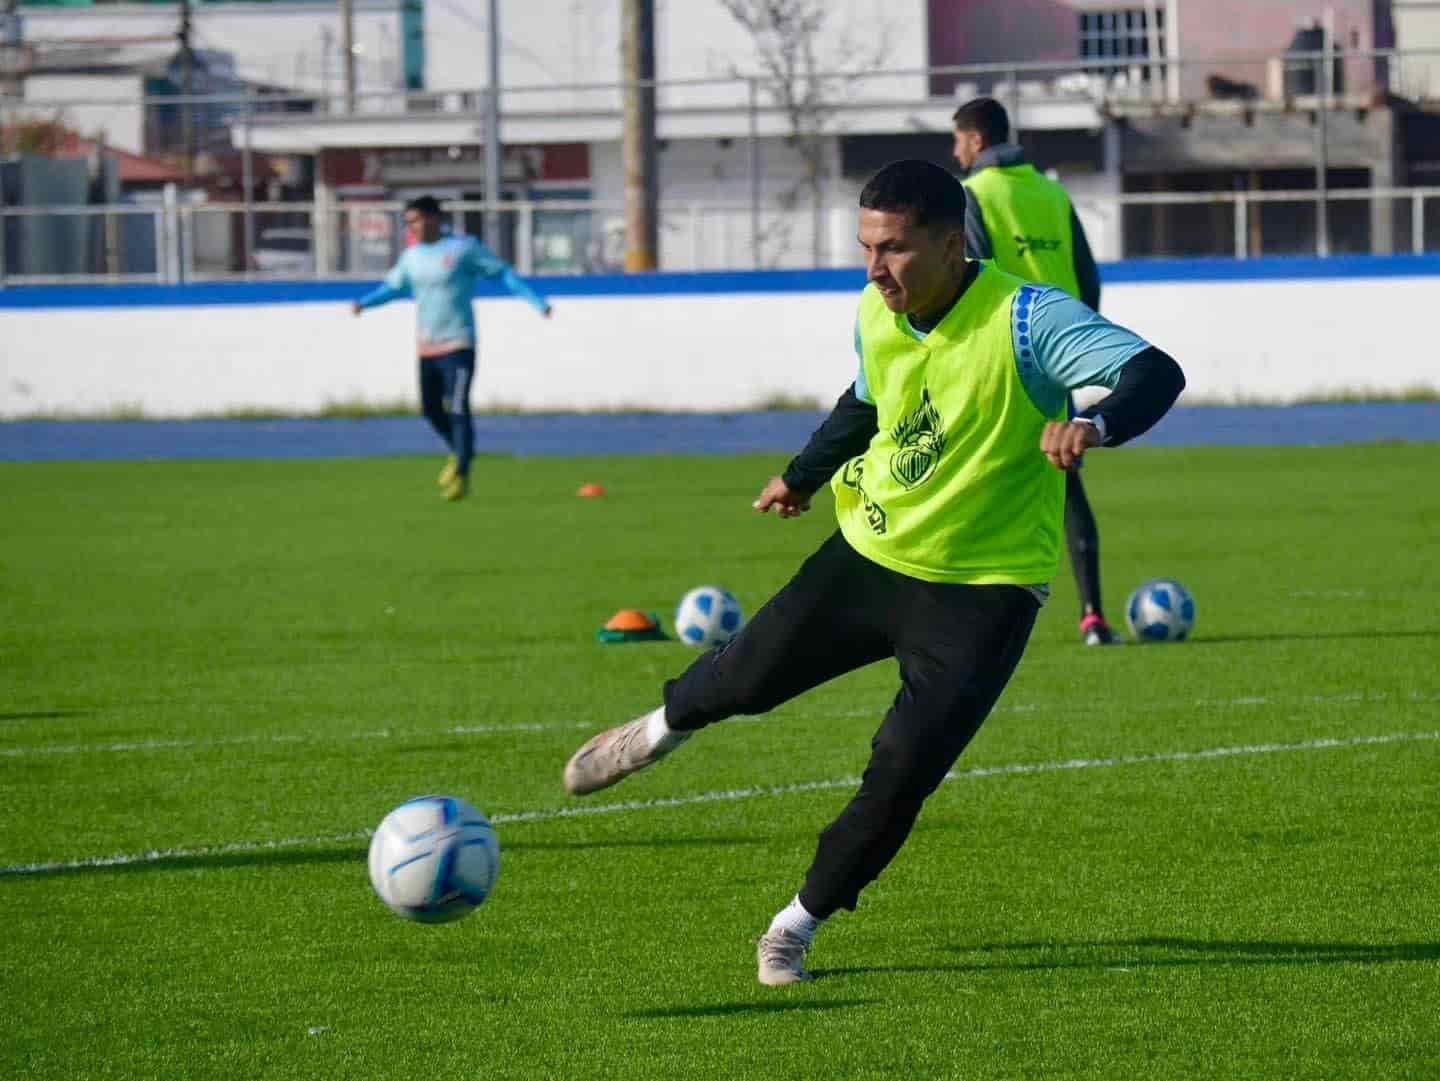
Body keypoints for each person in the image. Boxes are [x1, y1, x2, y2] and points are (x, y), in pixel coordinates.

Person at [561, 161, 1185, 986]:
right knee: (743, 679)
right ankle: (655, 730)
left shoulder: (1028, 319)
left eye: (892, 249)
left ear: (951, 244)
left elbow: (1156, 372)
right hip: (871, 553)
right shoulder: (874, 308)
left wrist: (1096, 425)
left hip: (985, 591)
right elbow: (867, 399)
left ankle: (795, 925)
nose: (873, 269)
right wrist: (804, 472)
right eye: (866, 247)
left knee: (901, 770)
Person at [952, 96, 1117, 645]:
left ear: (974, 141)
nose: (956, 152)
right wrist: (1073, 348)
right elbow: (1087, 280)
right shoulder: (1053, 193)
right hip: (1054, 361)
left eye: (957, 140)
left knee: (968, 479)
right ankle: (1093, 615)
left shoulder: (974, 194)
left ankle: (957, 620)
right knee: (1065, 484)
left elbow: (971, 277)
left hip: (1000, 358)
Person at [351, 195, 552, 501]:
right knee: (431, 410)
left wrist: (536, 301)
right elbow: (393, 288)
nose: (412, 227)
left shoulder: (463, 249)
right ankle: (461, 451)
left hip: (459, 343)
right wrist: (364, 303)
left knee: (458, 406)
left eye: (415, 220)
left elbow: (502, 274)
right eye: (408, 222)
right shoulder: (412, 257)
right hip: (427, 347)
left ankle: (461, 472)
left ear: (434, 218)